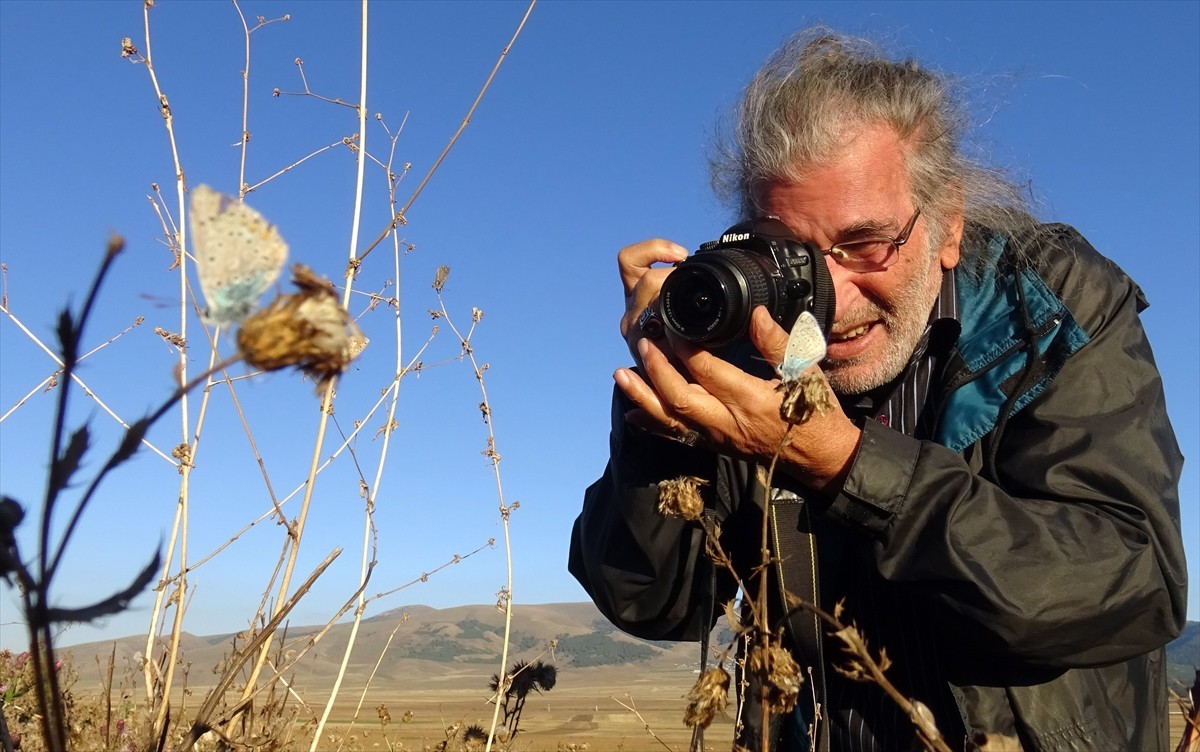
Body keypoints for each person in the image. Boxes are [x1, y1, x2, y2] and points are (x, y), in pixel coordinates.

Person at [568, 28, 1187, 752]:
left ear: (947, 222)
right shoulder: (751, 356)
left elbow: (1131, 582)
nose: (831, 295)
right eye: (796, 254)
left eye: (866, 244)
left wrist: (846, 466)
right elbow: (652, 605)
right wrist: (665, 410)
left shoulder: (1046, 307)